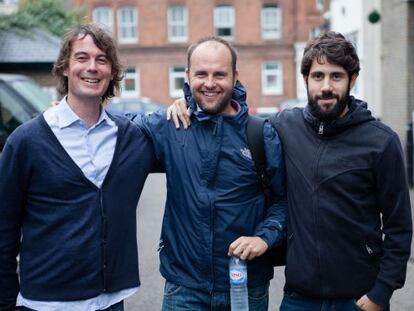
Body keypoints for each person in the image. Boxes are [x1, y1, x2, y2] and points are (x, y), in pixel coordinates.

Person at [169, 31, 413, 311]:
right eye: (318, 76)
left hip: (358, 298)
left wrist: (380, 294)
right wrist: (187, 103)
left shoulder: (381, 142)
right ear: (306, 79)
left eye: (336, 76)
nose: (326, 86)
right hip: (298, 297)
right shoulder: (283, 127)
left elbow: (399, 227)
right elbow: (232, 120)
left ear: (352, 79)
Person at [0, 24, 157, 311]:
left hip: (110, 302)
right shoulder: (25, 142)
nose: (92, 67)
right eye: (82, 58)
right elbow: (3, 230)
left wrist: (185, 106)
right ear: (64, 68)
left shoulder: (131, 138)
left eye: (102, 59)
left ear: (112, 72)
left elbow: (186, 143)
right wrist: (6, 302)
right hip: (45, 304)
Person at [130, 36, 287, 310]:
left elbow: (284, 202)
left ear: (235, 76)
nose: (210, 83)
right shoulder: (170, 125)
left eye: (220, 74)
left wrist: (265, 237)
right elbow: (115, 129)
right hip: (184, 290)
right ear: (188, 76)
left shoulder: (261, 134)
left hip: (246, 288)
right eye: (201, 74)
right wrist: (65, 110)